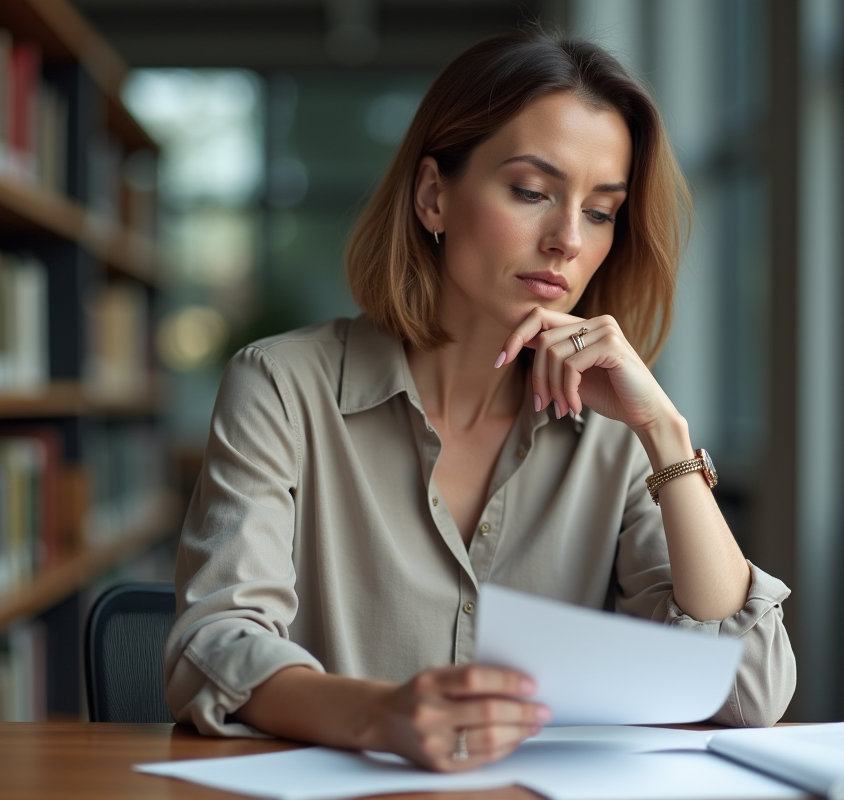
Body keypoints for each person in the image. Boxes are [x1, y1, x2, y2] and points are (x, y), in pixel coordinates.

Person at [164, 29, 796, 773]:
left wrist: (663, 433)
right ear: (434, 196)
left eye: (600, 211)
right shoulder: (281, 386)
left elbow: (750, 689)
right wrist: (379, 715)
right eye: (532, 192)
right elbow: (213, 646)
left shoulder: (619, 427)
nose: (566, 238)